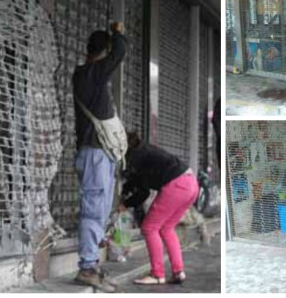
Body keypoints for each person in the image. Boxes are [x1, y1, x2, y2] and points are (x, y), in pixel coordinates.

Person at [72, 22, 128, 292]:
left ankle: (92, 264)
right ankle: (86, 268)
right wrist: (118, 32)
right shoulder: (91, 74)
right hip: (94, 154)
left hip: (99, 154)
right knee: (94, 210)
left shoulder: (90, 75)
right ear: (103, 52)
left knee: (100, 210)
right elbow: (120, 52)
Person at [119, 132, 199, 285]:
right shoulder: (144, 151)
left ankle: (157, 274)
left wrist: (125, 204)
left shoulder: (136, 158)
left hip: (177, 185)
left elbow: (143, 192)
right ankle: (178, 271)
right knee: (167, 228)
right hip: (191, 184)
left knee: (149, 228)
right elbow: (140, 183)